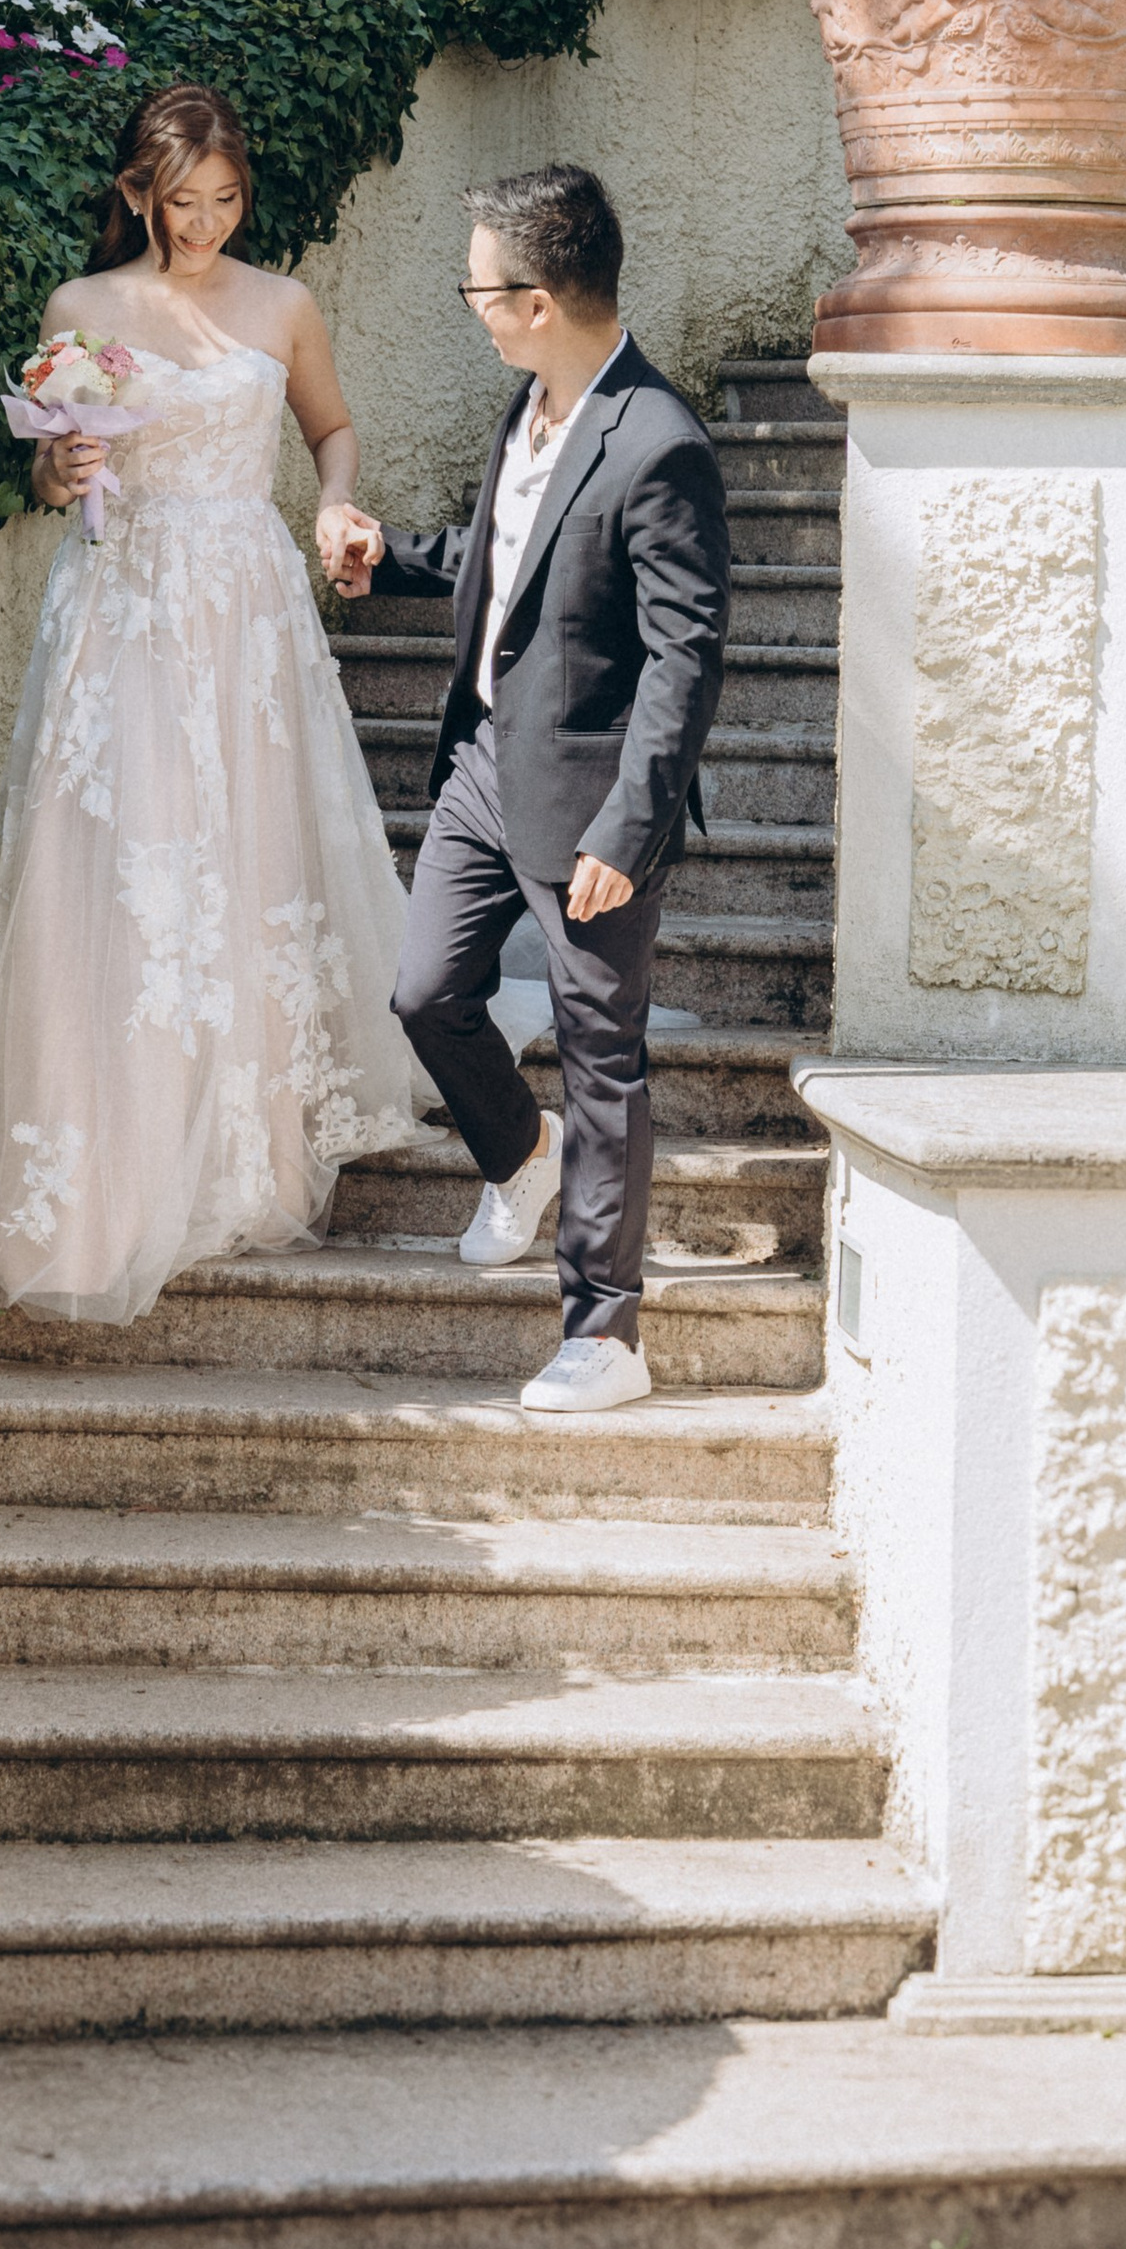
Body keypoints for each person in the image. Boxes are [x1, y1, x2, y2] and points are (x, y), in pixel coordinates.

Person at [0, 81, 420, 1321]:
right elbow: (54, 477)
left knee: (244, 856)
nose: (204, 224)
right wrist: (63, 467)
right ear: (136, 194)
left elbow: (330, 430)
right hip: (122, 605)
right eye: (181, 202)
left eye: (224, 200)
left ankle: (246, 1159)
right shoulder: (82, 309)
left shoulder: (283, 304)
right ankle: (101, 1181)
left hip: (244, 606)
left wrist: (333, 503)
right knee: (114, 864)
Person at [328, 165, 730, 1414]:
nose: (473, 307)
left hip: (592, 802)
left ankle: (605, 1332)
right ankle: (518, 1150)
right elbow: (509, 568)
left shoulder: (659, 443)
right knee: (425, 992)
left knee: (602, 1058)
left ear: (539, 302)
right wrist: (393, 556)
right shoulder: (533, 407)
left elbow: (685, 657)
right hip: (483, 767)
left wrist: (630, 826)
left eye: (478, 289)